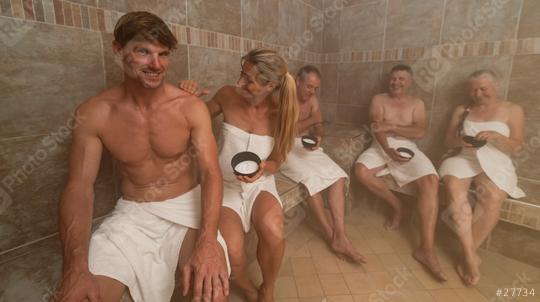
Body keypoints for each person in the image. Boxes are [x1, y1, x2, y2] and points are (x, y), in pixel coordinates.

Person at [52, 12, 229, 302]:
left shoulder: (189, 107)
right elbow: (79, 187)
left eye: (163, 54)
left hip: (187, 208)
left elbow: (211, 172)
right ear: (118, 50)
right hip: (134, 215)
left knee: (212, 294)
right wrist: (74, 266)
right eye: (143, 52)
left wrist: (208, 241)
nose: (156, 65)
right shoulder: (95, 113)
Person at [181, 48, 298, 301]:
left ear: (270, 85)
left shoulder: (281, 112)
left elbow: (278, 159)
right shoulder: (226, 95)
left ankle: (268, 287)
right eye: (241, 74)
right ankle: (245, 285)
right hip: (223, 185)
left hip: (261, 184)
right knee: (233, 250)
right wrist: (186, 98)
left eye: (249, 80)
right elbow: (190, 120)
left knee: (274, 228)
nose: (239, 83)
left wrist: (266, 168)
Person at [354, 64, 447, 281]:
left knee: (431, 180)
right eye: (393, 78)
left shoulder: (417, 104)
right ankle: (398, 207)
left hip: (408, 148)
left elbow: (420, 131)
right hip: (380, 146)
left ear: (410, 82)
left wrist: (393, 128)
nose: (396, 82)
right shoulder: (379, 99)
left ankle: (426, 249)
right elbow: (376, 127)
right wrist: (387, 150)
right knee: (360, 171)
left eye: (401, 79)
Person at [439, 69, 525, 286]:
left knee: (493, 197)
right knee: (453, 190)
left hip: (496, 160)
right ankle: (469, 258)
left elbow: (516, 146)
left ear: (495, 86)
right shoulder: (462, 109)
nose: (477, 94)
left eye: (483, 89)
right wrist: (461, 142)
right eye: (473, 89)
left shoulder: (512, 110)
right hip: (465, 158)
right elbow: (448, 141)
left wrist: (496, 138)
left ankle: (468, 252)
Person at [278, 65, 366, 263]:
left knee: (339, 176)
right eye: (309, 87)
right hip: (284, 148)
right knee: (311, 180)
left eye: (315, 88)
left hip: (306, 146)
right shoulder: (284, 98)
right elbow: (287, 131)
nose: (312, 92)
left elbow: (318, 126)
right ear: (297, 82)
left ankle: (341, 234)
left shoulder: (313, 101)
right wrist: (313, 120)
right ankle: (330, 236)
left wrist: (318, 137)